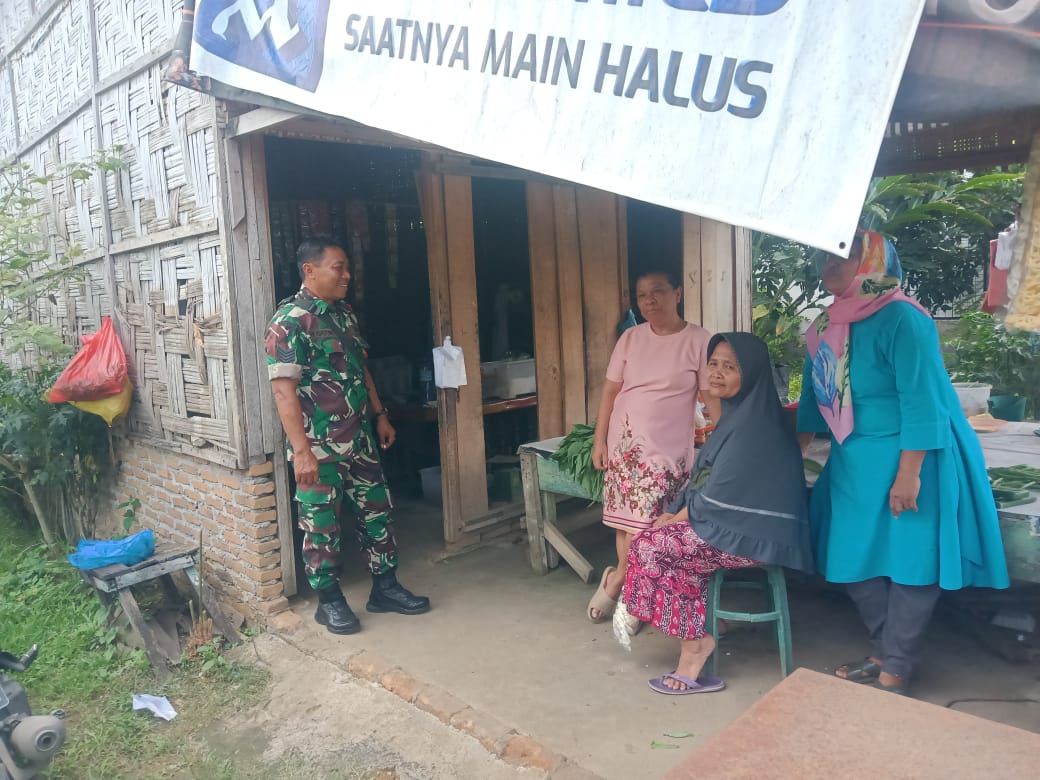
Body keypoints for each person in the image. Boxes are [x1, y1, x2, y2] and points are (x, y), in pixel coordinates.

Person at [797, 229, 1009, 694]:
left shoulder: (903, 318)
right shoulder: (822, 327)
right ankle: (883, 648)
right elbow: (814, 400)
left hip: (912, 456)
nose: (830, 262)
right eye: (827, 254)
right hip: (853, 459)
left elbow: (922, 400)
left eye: (845, 254)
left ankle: (895, 664)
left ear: (872, 261)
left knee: (911, 559)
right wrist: (795, 459)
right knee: (851, 556)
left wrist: (909, 474)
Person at [624, 333, 814, 693]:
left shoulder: (756, 427)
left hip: (756, 535)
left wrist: (676, 518)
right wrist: (674, 512)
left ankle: (696, 645)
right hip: (732, 525)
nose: (717, 373)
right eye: (713, 364)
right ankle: (701, 622)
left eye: (729, 367)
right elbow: (704, 479)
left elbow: (717, 495)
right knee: (651, 536)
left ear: (752, 373)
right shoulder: (738, 414)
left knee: (652, 548)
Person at [266, 236, 430, 635]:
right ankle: (329, 600)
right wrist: (301, 452)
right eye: (338, 268)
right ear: (310, 270)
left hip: (360, 440)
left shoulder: (343, 315)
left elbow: (361, 369)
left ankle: (385, 588)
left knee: (377, 512)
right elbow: (283, 391)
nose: (347, 276)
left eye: (347, 268)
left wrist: (380, 415)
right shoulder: (288, 322)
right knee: (321, 523)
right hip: (319, 448)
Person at [587, 271, 720, 626]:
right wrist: (599, 440)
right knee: (626, 524)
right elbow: (610, 392)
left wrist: (725, 439)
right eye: (642, 295)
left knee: (649, 524)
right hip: (626, 445)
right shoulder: (630, 338)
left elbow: (709, 397)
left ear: (677, 294)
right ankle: (633, 594)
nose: (649, 300)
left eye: (658, 292)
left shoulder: (699, 339)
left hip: (669, 451)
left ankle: (619, 581)